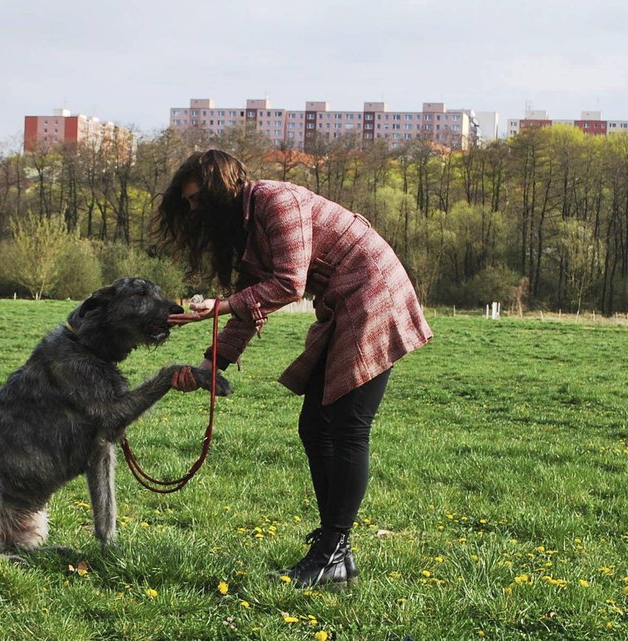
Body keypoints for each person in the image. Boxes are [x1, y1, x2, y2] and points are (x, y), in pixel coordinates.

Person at [155, 149, 432, 588]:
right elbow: (252, 301)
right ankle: (335, 554)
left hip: (373, 293)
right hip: (343, 303)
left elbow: (288, 282)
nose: (192, 211)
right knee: (315, 427)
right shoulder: (247, 230)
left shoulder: (275, 201)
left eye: (196, 201)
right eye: (187, 203)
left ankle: (331, 553)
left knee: (347, 427)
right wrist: (211, 364)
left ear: (221, 191)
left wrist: (219, 306)